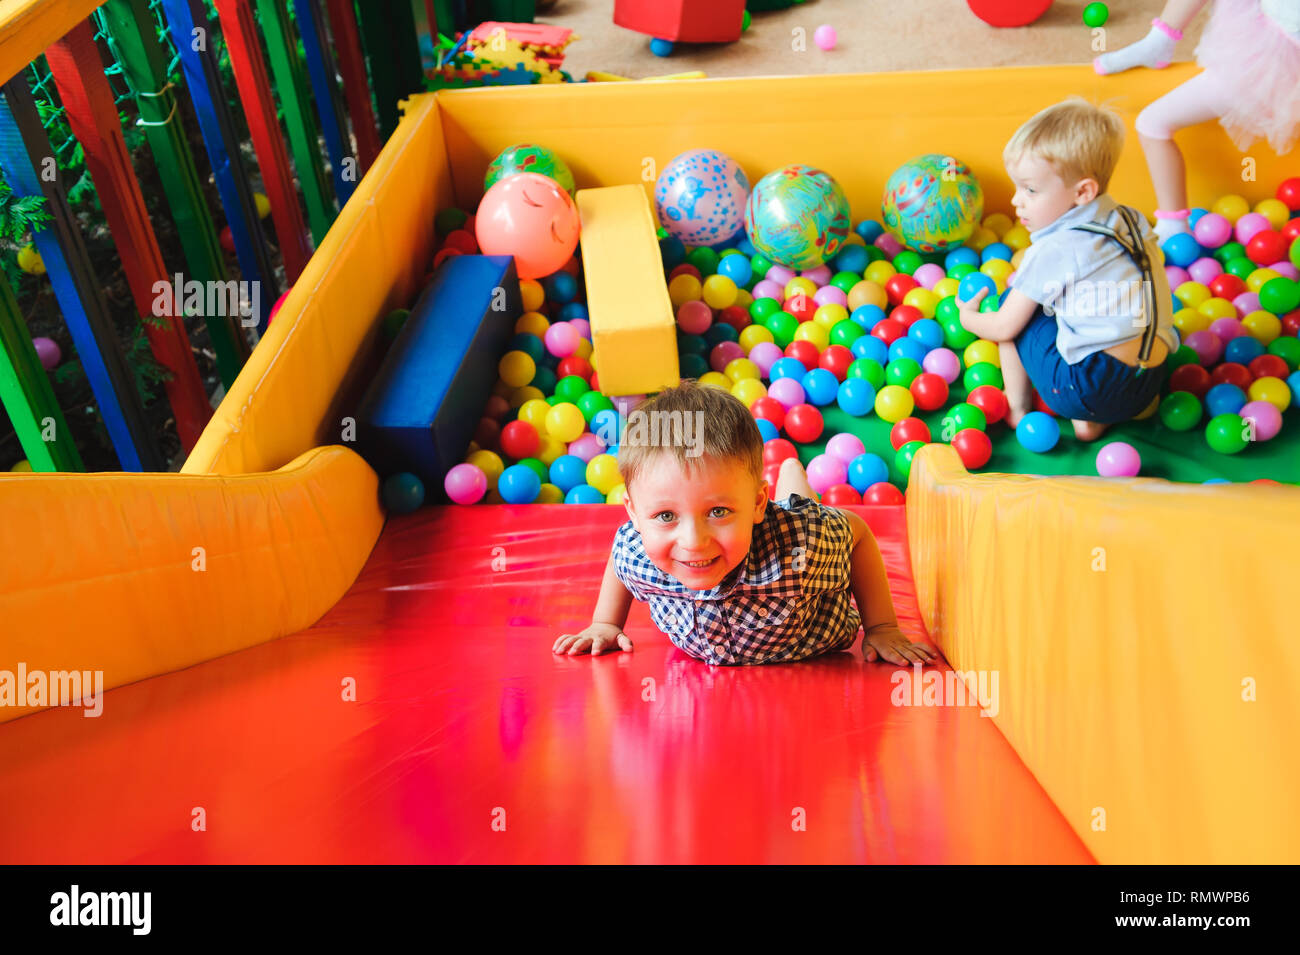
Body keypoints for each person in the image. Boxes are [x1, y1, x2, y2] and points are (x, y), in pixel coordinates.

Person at [551, 381, 934, 666]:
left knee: (798, 506)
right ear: (633, 514)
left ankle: (790, 471)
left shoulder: (803, 541)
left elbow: (858, 533)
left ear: (754, 504)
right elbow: (622, 558)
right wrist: (605, 623)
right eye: (666, 516)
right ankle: (782, 479)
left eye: (717, 512)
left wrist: (882, 626)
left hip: (814, 631)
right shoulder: (638, 549)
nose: (693, 541)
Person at [956, 98, 1179, 441]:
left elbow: (1003, 327)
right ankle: (1095, 419)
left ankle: (1017, 409)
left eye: (1030, 189)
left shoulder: (1055, 249)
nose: (1017, 200)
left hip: (1087, 389)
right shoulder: (1131, 218)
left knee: (1010, 305)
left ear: (1082, 192)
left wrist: (967, 317)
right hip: (1149, 383)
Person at [1095, 0, 1300, 239]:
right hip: (1268, 30)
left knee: (1151, 124)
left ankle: (1173, 227)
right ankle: (1159, 40)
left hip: (1270, 62)